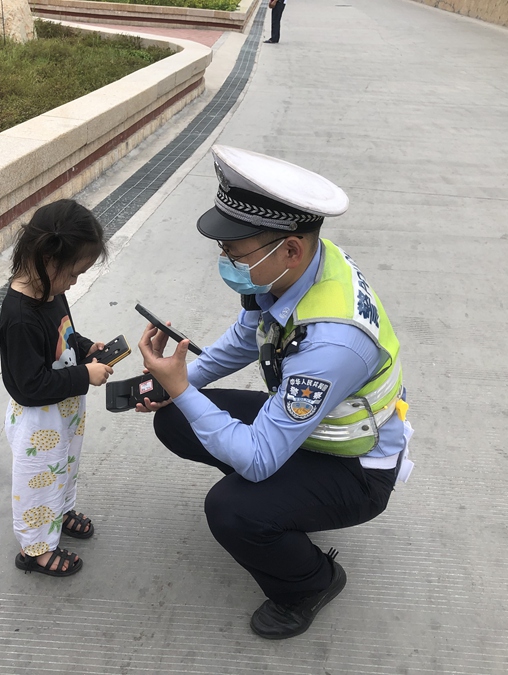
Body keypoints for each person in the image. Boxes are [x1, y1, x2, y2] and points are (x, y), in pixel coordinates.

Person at [136, 145, 414, 638]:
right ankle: (281, 507)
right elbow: (247, 336)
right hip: (315, 429)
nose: (226, 260)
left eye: (235, 253)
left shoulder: (332, 343)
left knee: (230, 508)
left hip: (354, 465)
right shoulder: (293, 272)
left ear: (289, 248)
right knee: (175, 416)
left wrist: (181, 387)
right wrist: (177, 383)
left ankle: (310, 583)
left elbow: (260, 457)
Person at [0, 199, 114, 577]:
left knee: (66, 467)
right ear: (47, 258)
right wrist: (84, 376)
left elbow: (63, 333)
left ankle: (60, 512)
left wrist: (85, 348)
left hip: (64, 408)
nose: (75, 282)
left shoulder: (50, 290)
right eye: (74, 273)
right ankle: (36, 549)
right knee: (38, 482)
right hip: (38, 421)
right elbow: (28, 385)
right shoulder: (19, 316)